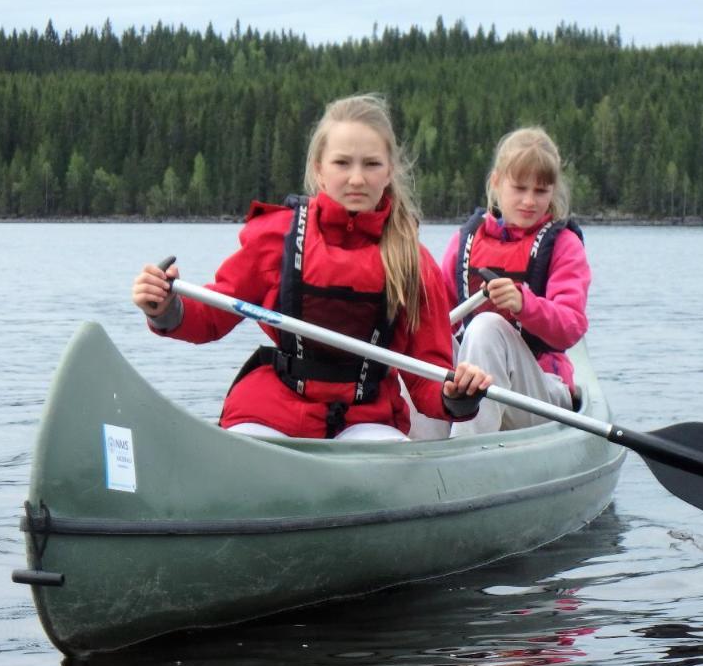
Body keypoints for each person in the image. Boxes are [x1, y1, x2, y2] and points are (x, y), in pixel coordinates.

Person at [131, 93, 490, 440]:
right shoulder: (276, 238)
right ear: (319, 169)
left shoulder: (413, 264)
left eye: (371, 164)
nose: (356, 178)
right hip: (271, 409)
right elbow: (213, 315)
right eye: (342, 163)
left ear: (389, 172)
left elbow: (427, 376)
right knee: (246, 442)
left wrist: (456, 396)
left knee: (381, 456)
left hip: (366, 418)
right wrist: (166, 308)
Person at [440, 127, 589, 436]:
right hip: (473, 389)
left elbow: (570, 328)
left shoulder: (563, 245)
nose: (529, 201)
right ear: (496, 182)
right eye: (519, 188)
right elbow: (436, 319)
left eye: (540, 191)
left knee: (487, 326)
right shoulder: (463, 243)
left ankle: (463, 455)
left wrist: (525, 304)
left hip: (542, 394)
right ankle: (408, 446)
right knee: (416, 349)